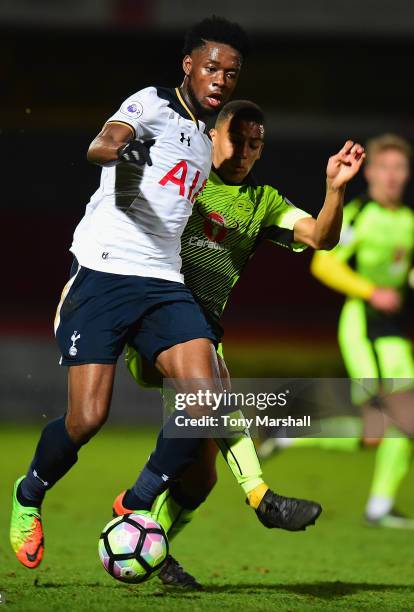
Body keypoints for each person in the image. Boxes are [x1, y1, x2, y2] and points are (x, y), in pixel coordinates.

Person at [9, 15, 248, 570]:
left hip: (164, 282)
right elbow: (102, 144)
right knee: (87, 419)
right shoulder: (153, 104)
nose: (220, 79)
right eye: (211, 67)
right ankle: (28, 495)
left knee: (204, 403)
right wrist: (126, 153)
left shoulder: (213, 135)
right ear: (188, 65)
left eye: (231, 73)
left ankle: (135, 504)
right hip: (105, 271)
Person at [112, 100, 365, 587]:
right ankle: (260, 494)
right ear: (212, 136)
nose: (247, 152)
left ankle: (151, 545)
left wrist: (334, 189)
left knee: (199, 475)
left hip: (200, 332)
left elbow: (320, 237)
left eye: (256, 145)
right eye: (238, 140)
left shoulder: (262, 201)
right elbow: (125, 202)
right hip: (151, 318)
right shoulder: (186, 178)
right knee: (216, 380)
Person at [264, 134, 414, 529]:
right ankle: (379, 506)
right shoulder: (360, 215)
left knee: (379, 433)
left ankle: (294, 437)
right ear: (372, 173)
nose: (393, 176)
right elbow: (323, 265)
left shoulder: (408, 221)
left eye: (400, 167)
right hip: (363, 327)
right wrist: (371, 290)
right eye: (385, 167)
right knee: (396, 422)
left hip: (395, 333)